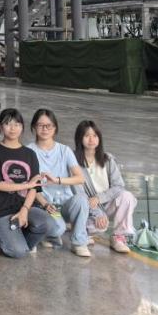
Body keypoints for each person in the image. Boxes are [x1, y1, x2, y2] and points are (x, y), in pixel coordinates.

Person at [0, 108, 53, 258]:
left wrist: (25, 209)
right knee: (18, 252)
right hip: (1, 209)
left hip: (24, 205)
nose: (13, 128)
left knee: (48, 222)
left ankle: (13, 236)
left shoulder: (30, 154)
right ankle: (5, 238)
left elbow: (35, 188)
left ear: (22, 127)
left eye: (17, 124)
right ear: (0, 127)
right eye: (8, 124)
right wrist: (27, 185)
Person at [27, 108, 92, 257]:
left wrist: (57, 180)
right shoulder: (28, 151)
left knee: (81, 199)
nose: (45, 129)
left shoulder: (64, 150)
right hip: (46, 206)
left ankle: (79, 243)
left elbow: (80, 178)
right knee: (58, 228)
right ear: (34, 127)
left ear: (55, 128)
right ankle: (49, 234)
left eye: (49, 125)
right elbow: (29, 186)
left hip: (65, 203)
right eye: (40, 125)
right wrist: (45, 204)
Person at [74, 120, 136, 254]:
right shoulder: (74, 162)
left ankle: (118, 237)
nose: (91, 139)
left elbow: (119, 186)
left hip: (105, 203)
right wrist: (98, 214)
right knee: (99, 226)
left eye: (95, 135)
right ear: (79, 138)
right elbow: (78, 193)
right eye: (87, 136)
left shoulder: (107, 159)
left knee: (127, 196)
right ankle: (82, 232)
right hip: (87, 207)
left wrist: (99, 198)